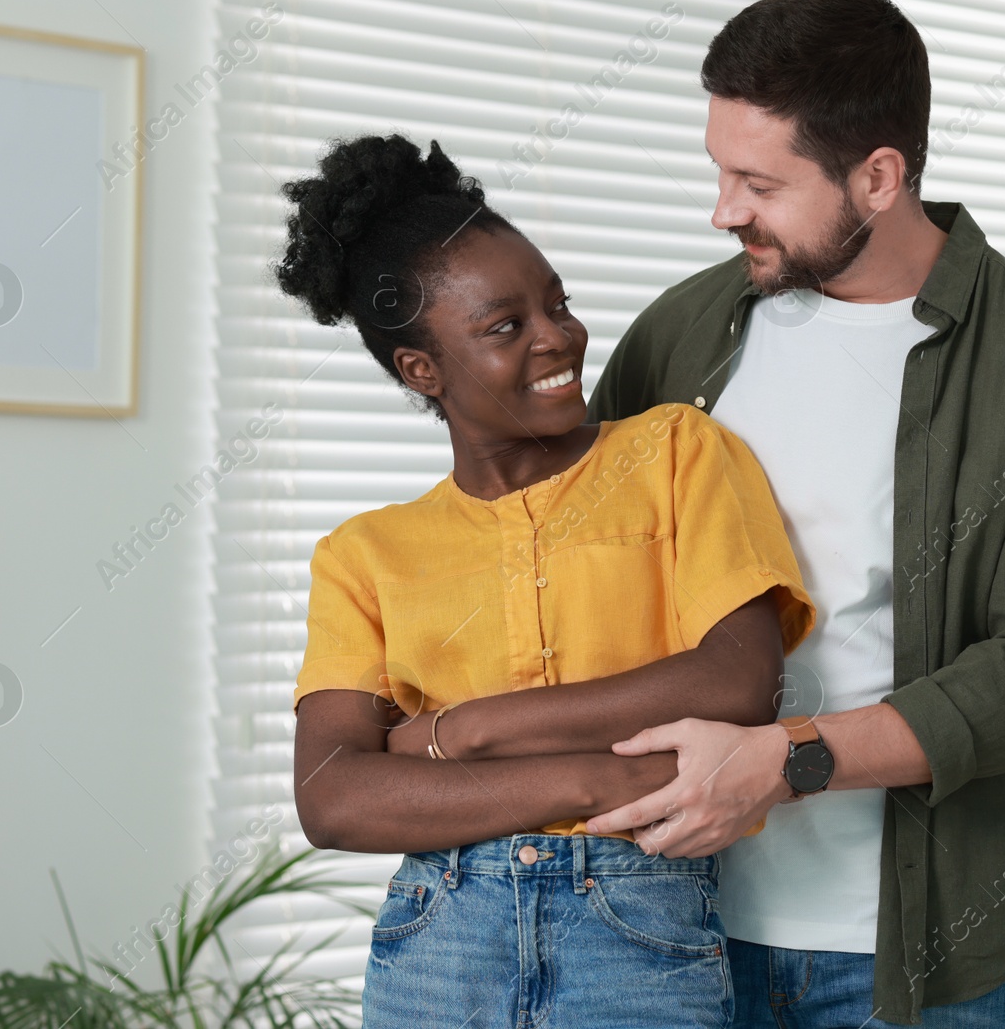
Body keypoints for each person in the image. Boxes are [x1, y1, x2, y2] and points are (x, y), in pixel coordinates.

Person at [435, 0, 1005, 1029]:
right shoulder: (686, 329)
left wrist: (787, 758)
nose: (723, 210)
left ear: (878, 176)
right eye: (719, 171)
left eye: (757, 182)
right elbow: (568, 557)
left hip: (908, 967)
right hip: (655, 928)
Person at [280, 133, 817, 1029]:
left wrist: (464, 733)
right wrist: (596, 783)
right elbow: (334, 794)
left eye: (557, 303)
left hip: (639, 931)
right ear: (422, 369)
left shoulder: (677, 453)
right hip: (438, 939)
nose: (558, 336)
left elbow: (738, 681)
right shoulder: (365, 554)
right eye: (506, 326)